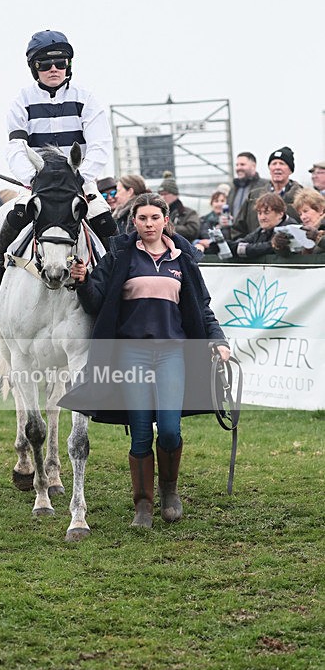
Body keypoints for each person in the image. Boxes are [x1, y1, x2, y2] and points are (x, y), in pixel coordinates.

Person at [63, 192, 230, 529]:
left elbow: (201, 307)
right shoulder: (120, 257)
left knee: (169, 430)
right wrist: (82, 282)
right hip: (131, 355)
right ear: (134, 221)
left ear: (165, 220)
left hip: (172, 354)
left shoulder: (182, 259)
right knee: (140, 433)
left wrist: (218, 341)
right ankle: (143, 505)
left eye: (155, 217)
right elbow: (96, 301)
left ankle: (169, 492)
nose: (149, 224)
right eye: (143, 218)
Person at [0, 29, 116, 289]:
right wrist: (31, 178)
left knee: (103, 216)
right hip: (39, 181)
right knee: (19, 211)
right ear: (34, 68)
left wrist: (80, 176)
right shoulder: (22, 101)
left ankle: (121, 273)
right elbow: (16, 147)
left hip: (79, 180)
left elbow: (100, 145)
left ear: (68, 66)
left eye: (60, 63)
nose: (53, 69)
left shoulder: (86, 99)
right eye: (45, 64)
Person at [231, 147, 302, 239]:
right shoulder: (254, 196)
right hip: (257, 250)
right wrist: (245, 247)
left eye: (282, 164)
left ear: (290, 170)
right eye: (274, 164)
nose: (277, 167)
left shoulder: (302, 196)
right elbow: (238, 229)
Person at [232, 193, 297, 259]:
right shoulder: (262, 230)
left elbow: (278, 249)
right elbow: (242, 243)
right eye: (259, 213)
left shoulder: (291, 229)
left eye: (266, 213)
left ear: (280, 214)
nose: (262, 217)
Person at [157, 172, 200, 242]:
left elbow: (193, 231)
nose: (162, 197)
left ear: (175, 194)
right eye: (160, 194)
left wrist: (166, 227)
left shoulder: (188, 213)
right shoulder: (158, 212)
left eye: (165, 194)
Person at [226, 152, 268, 218]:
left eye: (242, 165)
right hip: (235, 228)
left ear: (253, 166)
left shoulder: (265, 186)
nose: (238, 168)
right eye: (237, 165)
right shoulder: (233, 189)